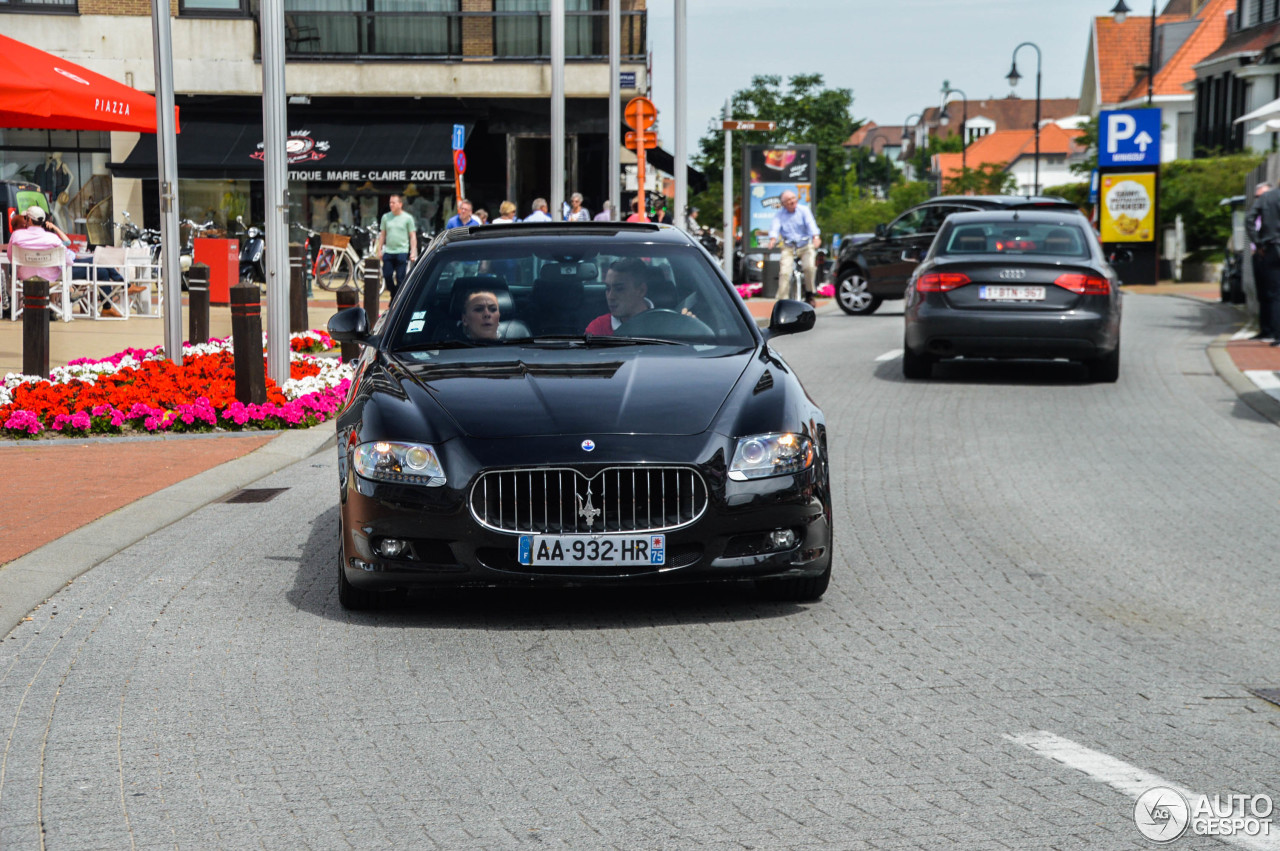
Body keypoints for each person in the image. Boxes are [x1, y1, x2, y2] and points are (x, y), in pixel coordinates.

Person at [7, 207, 80, 311]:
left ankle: (18, 310)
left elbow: (11, 257)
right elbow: (68, 261)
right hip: (49, 279)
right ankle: (55, 306)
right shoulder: (53, 238)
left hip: (25, 278)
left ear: (29, 220)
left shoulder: (16, 236)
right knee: (63, 271)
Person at [767, 190, 821, 305]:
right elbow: (775, 228)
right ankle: (782, 301)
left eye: (793, 198)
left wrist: (815, 237)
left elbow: (811, 224)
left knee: (809, 267)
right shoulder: (779, 215)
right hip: (789, 247)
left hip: (805, 245)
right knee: (784, 272)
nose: (792, 201)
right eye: (788, 200)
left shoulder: (804, 210)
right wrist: (772, 239)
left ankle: (810, 293)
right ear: (783, 204)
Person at [585, 257, 650, 335]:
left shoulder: (664, 322)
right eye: (608, 288)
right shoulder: (598, 328)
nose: (610, 297)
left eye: (619, 289)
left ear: (641, 291)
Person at [1250, 182, 1280, 346]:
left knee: (1274, 293)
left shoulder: (1268, 198)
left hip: (1271, 248)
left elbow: (1249, 218)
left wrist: (1258, 243)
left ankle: (1276, 333)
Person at [374, 194, 417, 301]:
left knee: (400, 278)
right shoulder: (386, 217)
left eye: (393, 202)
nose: (391, 205)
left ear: (400, 204)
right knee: (387, 275)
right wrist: (379, 249)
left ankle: (397, 301)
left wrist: (413, 251)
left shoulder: (407, 218)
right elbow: (382, 234)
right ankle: (394, 295)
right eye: (390, 202)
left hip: (402, 251)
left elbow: (412, 236)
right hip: (389, 251)